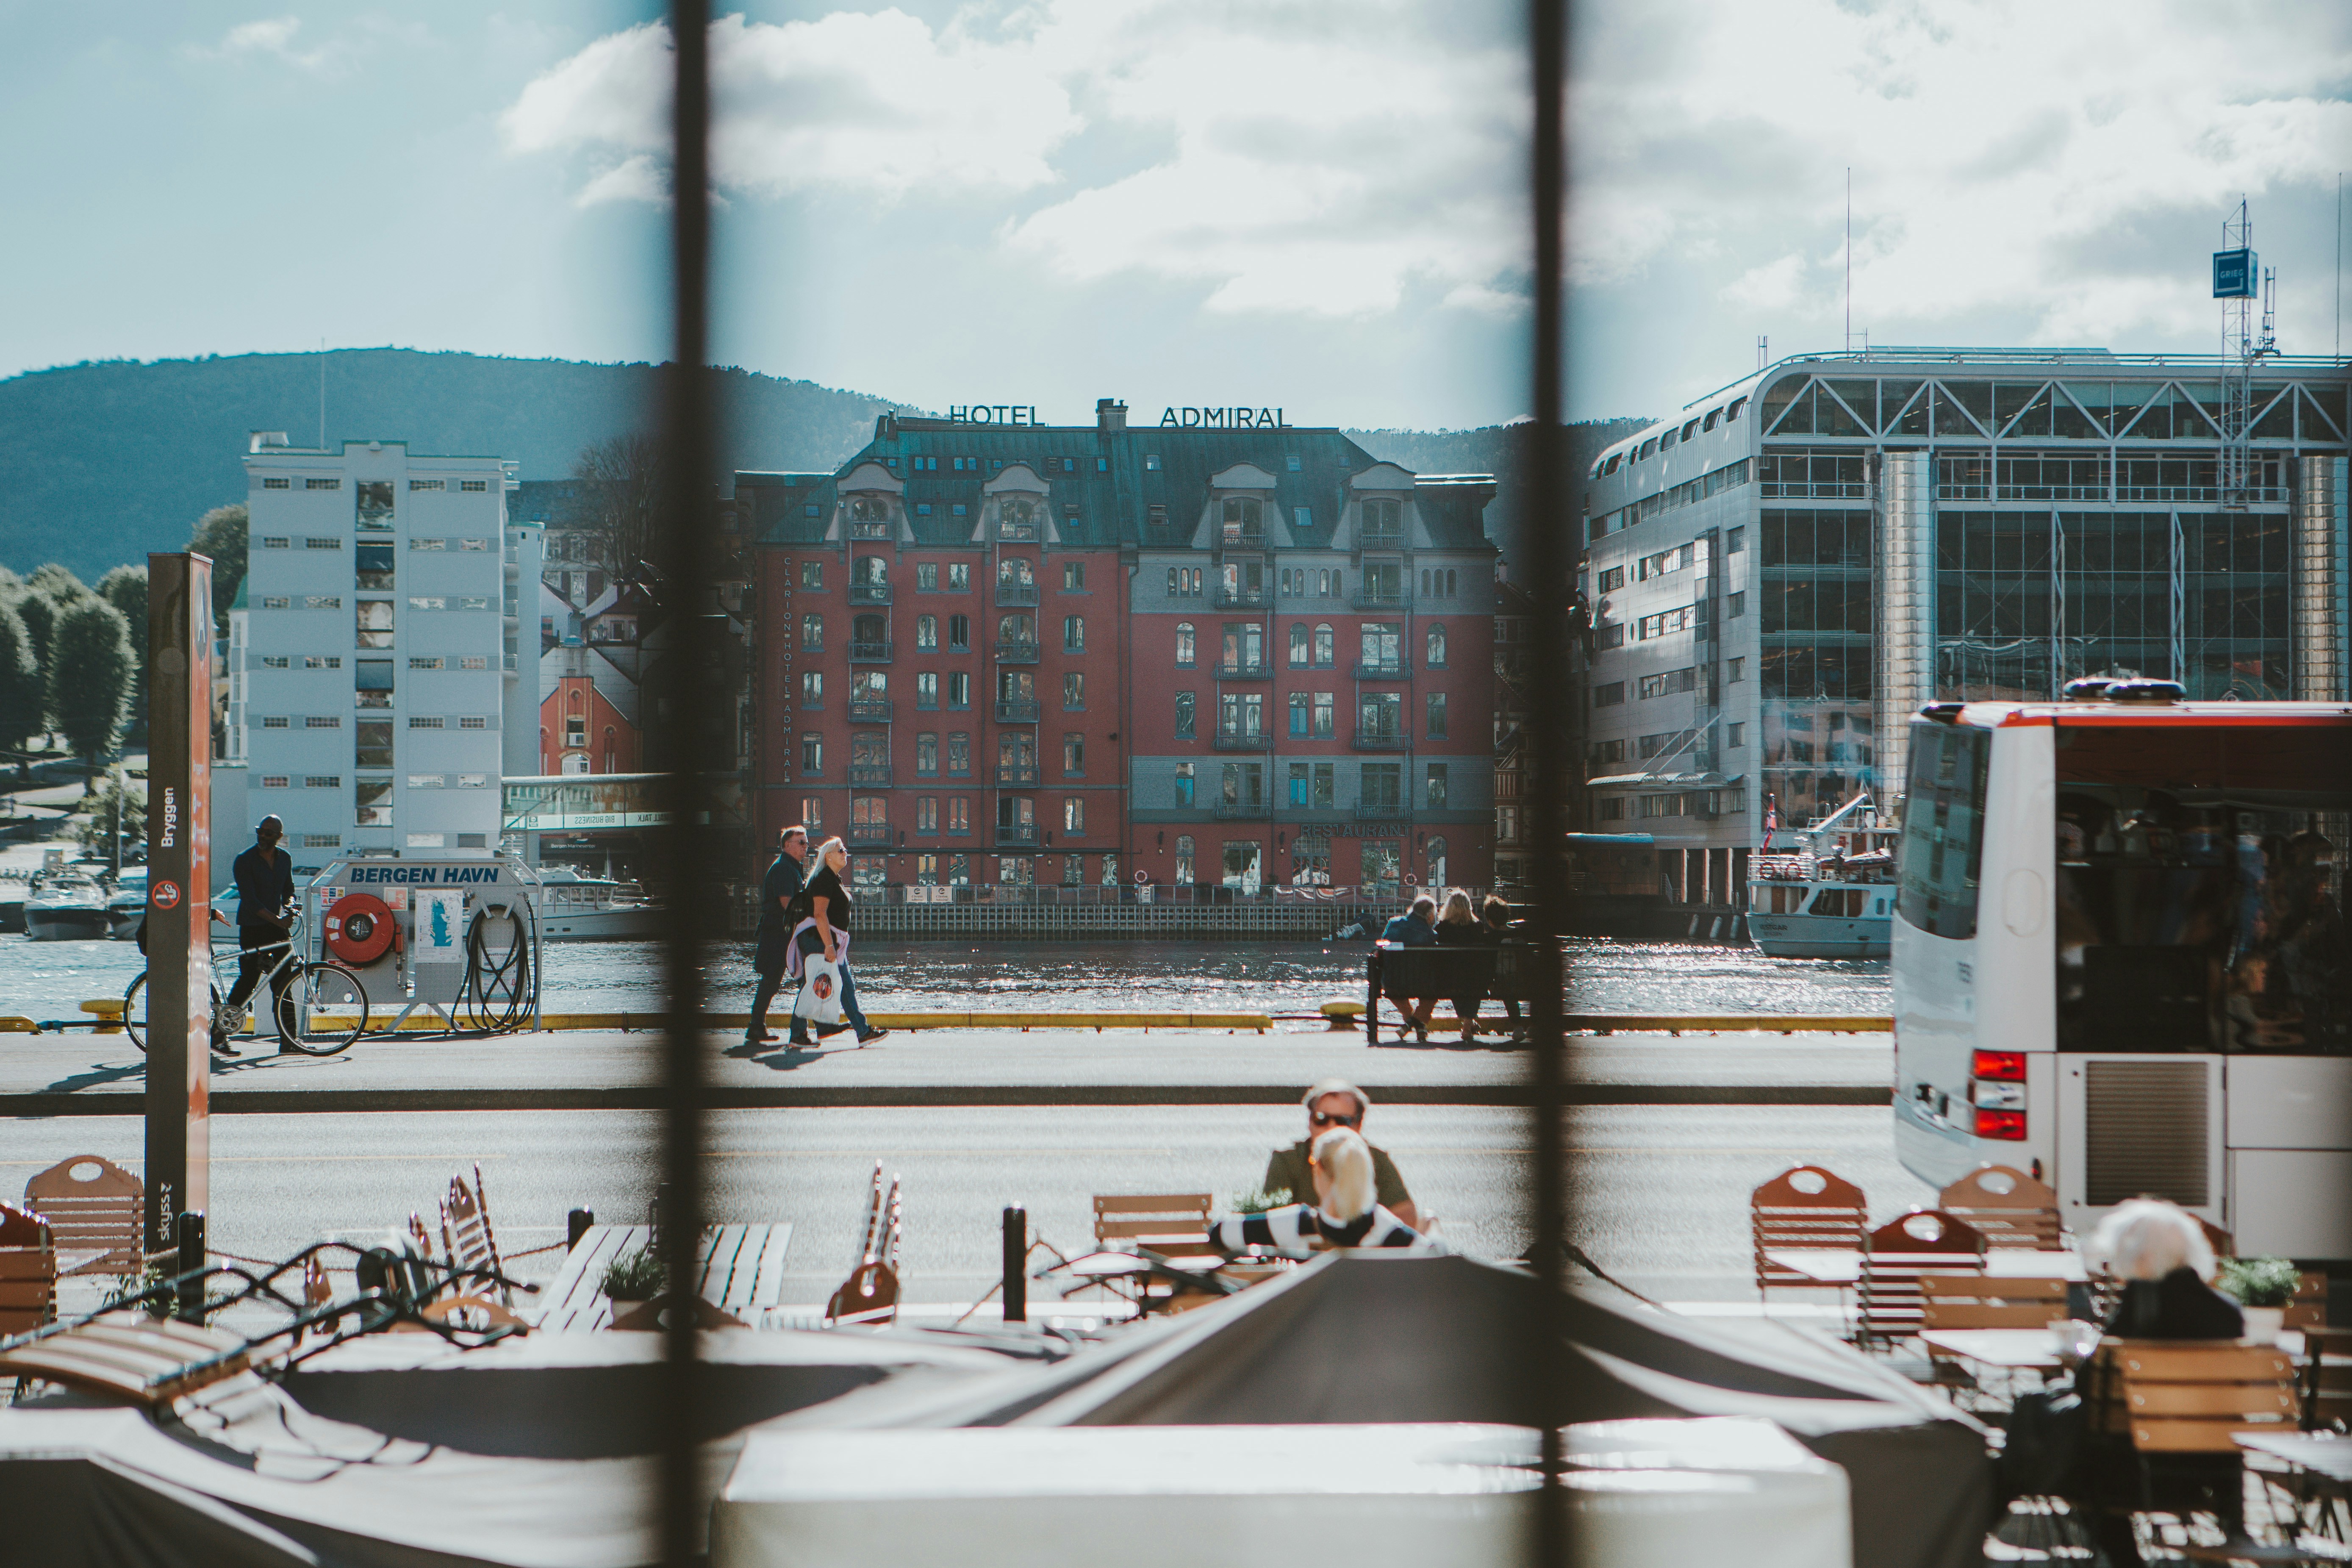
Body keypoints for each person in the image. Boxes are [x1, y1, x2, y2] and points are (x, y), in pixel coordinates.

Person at [2082, 1200, 2248, 1565]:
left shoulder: (2141, 1306)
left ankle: (2128, 1561)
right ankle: (2231, 1530)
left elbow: (2091, 1387)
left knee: (2078, 1451)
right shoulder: (2227, 1312)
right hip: (2212, 1474)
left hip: (2136, 1474)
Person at [1212, 1128, 1440, 1253]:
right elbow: (1433, 1257)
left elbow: (1219, 1231)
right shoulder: (1384, 1227)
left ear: (1319, 1170)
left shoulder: (1296, 1224)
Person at [1261, 1078, 1417, 1227]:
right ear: (1309, 1122)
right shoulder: (1288, 1160)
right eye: (1321, 1118)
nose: (1331, 1128)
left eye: (1343, 1121)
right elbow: (1271, 1217)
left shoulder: (1376, 1160)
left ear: (1358, 1126)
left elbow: (1406, 1215)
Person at [790, 837, 889, 1046]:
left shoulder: (832, 878)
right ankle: (860, 1032)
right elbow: (819, 914)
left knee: (830, 985)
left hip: (826, 941)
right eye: (841, 850)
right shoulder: (824, 879)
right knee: (821, 985)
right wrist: (828, 946)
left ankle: (819, 1030)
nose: (846, 853)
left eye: (845, 849)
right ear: (829, 857)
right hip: (820, 941)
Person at [222, 815, 296, 1054]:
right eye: (260, 832)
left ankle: (290, 1041)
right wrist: (278, 919)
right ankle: (219, 1033)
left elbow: (289, 890)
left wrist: (292, 906)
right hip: (253, 928)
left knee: (284, 985)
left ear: (279, 837)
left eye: (268, 834)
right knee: (248, 982)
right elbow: (251, 901)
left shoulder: (285, 859)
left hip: (277, 929)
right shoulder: (244, 860)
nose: (262, 837)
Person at [741, 825, 810, 1048]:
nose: (806, 847)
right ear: (787, 845)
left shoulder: (791, 867)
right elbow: (786, 904)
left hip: (781, 932)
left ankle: (757, 1027)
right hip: (778, 933)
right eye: (801, 843)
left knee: (775, 981)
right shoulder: (783, 869)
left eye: (807, 842)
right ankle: (767, 1028)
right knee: (777, 979)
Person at [1379, 893, 1439, 1044]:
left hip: (1392, 983)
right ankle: (1417, 1024)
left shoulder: (1393, 924)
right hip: (1421, 984)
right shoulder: (1430, 935)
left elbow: (1382, 947)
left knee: (1396, 989)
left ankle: (1410, 1022)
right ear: (1430, 915)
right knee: (1432, 994)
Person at [1434, 889, 1487, 1042]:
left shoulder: (1442, 927)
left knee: (1456, 986)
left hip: (1449, 975)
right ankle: (1468, 1023)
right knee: (1474, 986)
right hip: (1475, 974)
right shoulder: (1477, 926)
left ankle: (1467, 1022)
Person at [1480, 895, 1523, 1035]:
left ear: (1490, 921)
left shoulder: (1489, 939)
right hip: (1523, 979)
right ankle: (1527, 1026)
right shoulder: (1520, 933)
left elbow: (1486, 965)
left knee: (1506, 988)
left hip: (1500, 983)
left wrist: (1489, 984)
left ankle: (1518, 1026)